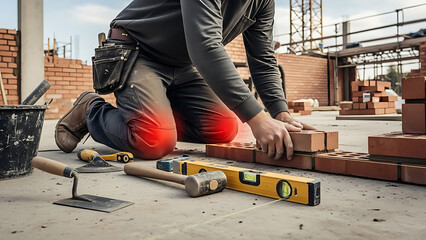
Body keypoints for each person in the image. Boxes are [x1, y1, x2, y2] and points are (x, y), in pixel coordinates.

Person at [55, 0, 315, 161]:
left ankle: (159, 121)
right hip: (138, 50)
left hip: (183, 62)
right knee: (154, 142)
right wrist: (257, 119)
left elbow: (263, 57)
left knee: (223, 128)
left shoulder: (262, 2)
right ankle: (91, 109)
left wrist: (279, 113)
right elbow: (205, 46)